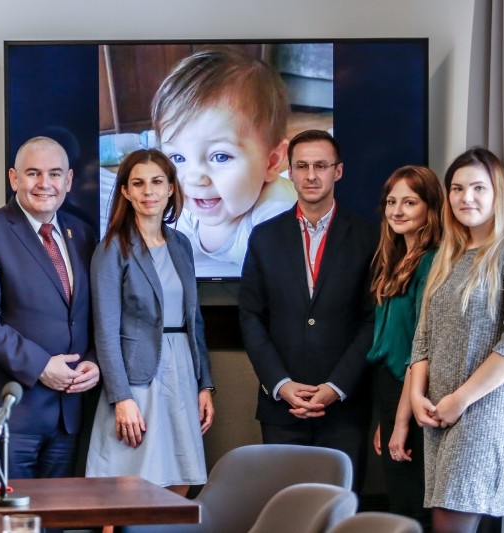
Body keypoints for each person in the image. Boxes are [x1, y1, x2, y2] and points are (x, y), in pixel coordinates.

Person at [238, 129, 377, 491]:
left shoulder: (370, 237)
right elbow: (251, 317)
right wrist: (280, 384)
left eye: (320, 165)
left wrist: (335, 386)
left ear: (338, 171)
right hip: (282, 406)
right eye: (301, 166)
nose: (311, 175)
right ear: (289, 171)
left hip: (344, 405)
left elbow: (372, 319)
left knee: (338, 513)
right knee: (285, 514)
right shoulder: (264, 236)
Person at [0, 136, 100, 479]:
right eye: (33, 173)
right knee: (8, 527)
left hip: (67, 416)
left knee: (56, 526)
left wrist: (94, 361)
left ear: (68, 180)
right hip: (10, 413)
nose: (44, 183)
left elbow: (91, 315)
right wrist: (39, 366)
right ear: (13, 178)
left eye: (54, 173)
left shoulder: (81, 234)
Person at [410, 148, 504, 533]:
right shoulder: (447, 256)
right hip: (438, 408)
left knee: (451, 520)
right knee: (443, 517)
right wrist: (418, 395)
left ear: (498, 192)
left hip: (487, 407)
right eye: (457, 188)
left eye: (479, 188)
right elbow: (423, 337)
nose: (467, 197)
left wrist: (460, 400)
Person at [86, 149, 215, 496]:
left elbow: (195, 321)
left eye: (157, 182)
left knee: (181, 478)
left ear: (171, 187)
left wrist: (205, 385)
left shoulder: (181, 243)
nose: (149, 192)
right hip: (136, 379)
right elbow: (105, 331)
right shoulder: (112, 247)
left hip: (182, 373)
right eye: (138, 183)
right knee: (126, 483)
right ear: (126, 192)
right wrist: (121, 398)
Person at [152, 47, 297, 278]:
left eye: (220, 156)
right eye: (178, 158)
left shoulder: (277, 219)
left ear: (272, 162)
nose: (194, 178)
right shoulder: (185, 203)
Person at [366, 166, 443, 528]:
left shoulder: (431, 262)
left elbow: (420, 348)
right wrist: (388, 418)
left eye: (409, 202)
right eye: (391, 201)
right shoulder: (394, 260)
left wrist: (400, 421)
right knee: (399, 501)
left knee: (412, 506)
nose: (397, 210)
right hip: (389, 390)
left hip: (413, 389)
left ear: (430, 208)